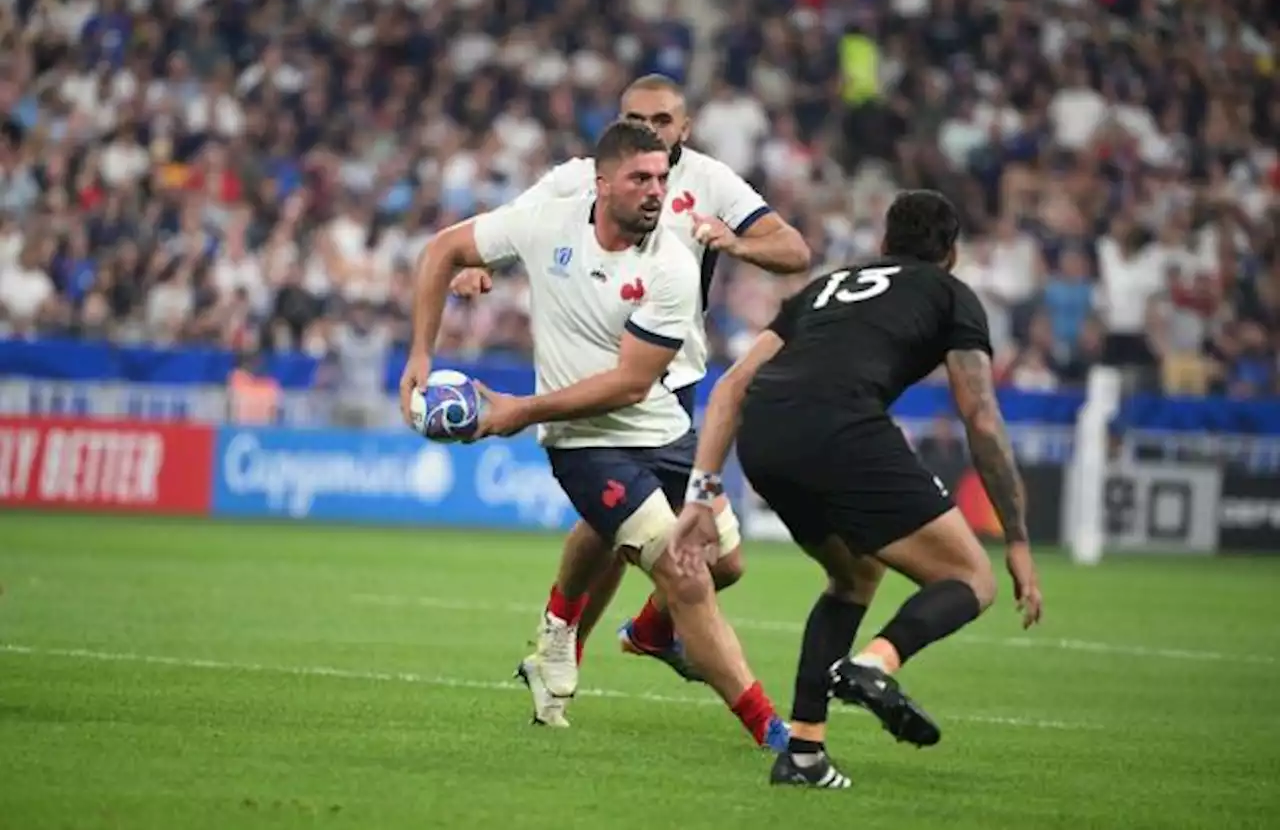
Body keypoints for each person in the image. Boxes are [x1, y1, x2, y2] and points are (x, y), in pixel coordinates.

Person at [400, 121, 789, 751]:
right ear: (602, 184)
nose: (656, 191)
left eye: (662, 178)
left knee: (728, 565)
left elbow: (631, 384)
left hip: (663, 431)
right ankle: (774, 732)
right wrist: (420, 352)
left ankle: (590, 630)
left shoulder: (671, 264)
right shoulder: (545, 222)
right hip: (585, 445)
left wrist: (519, 410)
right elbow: (443, 248)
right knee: (685, 574)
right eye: (641, 178)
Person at [669, 190, 1045, 788]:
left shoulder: (829, 286)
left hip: (765, 437)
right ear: (950, 253)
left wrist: (703, 493)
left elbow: (736, 382)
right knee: (971, 579)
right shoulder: (952, 294)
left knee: (854, 576)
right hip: (841, 428)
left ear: (883, 244)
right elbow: (980, 417)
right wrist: (1018, 539)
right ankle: (874, 664)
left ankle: (804, 754)